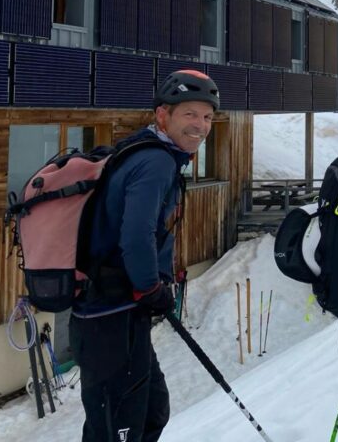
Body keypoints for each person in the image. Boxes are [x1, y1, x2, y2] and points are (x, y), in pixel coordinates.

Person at [69, 69, 220, 442]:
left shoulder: (144, 150)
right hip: (109, 313)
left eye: (208, 117)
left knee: (152, 410)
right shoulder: (155, 162)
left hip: (117, 312)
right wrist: (150, 287)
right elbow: (136, 235)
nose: (200, 125)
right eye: (190, 114)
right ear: (162, 114)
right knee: (117, 429)